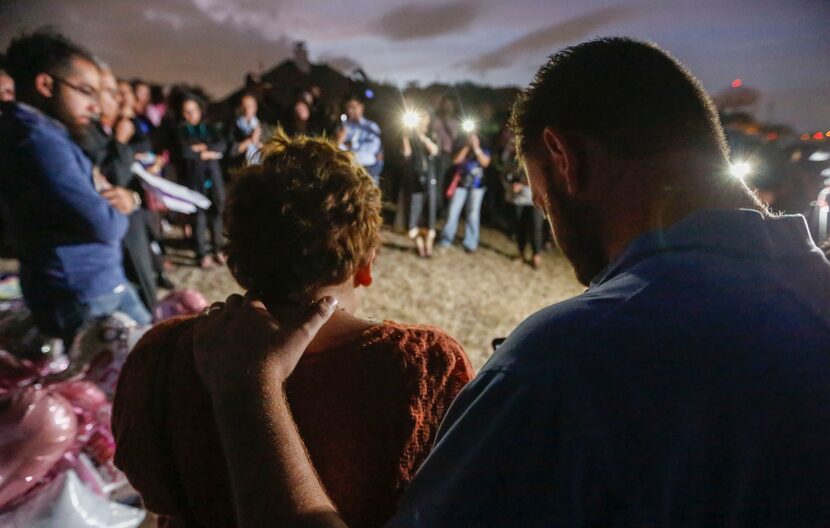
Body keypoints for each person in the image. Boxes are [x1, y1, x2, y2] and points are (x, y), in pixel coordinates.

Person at [190, 37, 830, 527]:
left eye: (542, 199)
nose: (549, 221)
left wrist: (249, 392)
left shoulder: (566, 365)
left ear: (564, 159)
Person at [112, 131, 473, 528]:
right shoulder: (427, 364)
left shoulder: (161, 353)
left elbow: (151, 488)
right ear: (366, 265)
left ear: (234, 263)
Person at [0, 30, 151, 342]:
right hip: (83, 293)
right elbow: (105, 225)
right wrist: (119, 208)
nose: (96, 106)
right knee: (140, 375)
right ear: (45, 85)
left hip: (91, 284)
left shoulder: (44, 134)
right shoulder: (37, 142)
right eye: (85, 91)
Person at [75, 67, 158, 313]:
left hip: (134, 218)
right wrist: (122, 142)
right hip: (115, 230)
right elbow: (115, 176)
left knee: (145, 279)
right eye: (113, 93)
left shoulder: (117, 129)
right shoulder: (88, 135)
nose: (120, 100)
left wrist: (133, 196)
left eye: (121, 94)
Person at [175, 93, 226, 268]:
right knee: (199, 216)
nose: (190, 115)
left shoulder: (210, 128)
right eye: (186, 112)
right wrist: (205, 153)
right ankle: (201, 253)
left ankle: (218, 248)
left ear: (199, 110)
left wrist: (201, 149)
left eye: (193, 110)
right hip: (194, 179)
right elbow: (184, 152)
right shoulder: (181, 130)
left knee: (216, 212)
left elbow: (221, 145)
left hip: (213, 178)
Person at [438, 129, 491, 252]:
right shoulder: (461, 144)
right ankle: (446, 239)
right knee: (453, 211)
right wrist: (467, 146)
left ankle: (471, 243)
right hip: (460, 183)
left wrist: (476, 148)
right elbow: (455, 160)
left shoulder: (484, 145)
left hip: (477, 186)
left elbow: (485, 163)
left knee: (473, 214)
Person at [501, 130, 544, 268]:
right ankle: (521, 253)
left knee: (535, 228)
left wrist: (523, 184)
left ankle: (536, 255)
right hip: (517, 199)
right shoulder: (511, 158)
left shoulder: (535, 157)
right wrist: (510, 186)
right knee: (520, 227)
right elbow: (505, 173)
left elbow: (539, 176)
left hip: (534, 199)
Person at [401, 111, 439, 257]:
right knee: (413, 212)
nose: (422, 120)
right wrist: (405, 136)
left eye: (424, 116)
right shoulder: (409, 136)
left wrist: (421, 136)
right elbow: (406, 154)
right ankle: (420, 248)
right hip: (414, 179)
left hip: (429, 179)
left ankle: (428, 247)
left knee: (430, 213)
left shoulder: (432, 134)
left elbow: (434, 151)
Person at [337, 95, 382, 186]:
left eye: (353, 107)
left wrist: (351, 145)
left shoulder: (371, 126)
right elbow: (338, 147)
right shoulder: (344, 127)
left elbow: (372, 147)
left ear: (361, 107)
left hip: (369, 169)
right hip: (350, 168)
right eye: (348, 108)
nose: (350, 111)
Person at [227, 93, 264, 167]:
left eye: (250, 106)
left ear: (255, 107)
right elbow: (231, 152)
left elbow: (271, 149)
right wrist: (250, 140)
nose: (247, 109)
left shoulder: (264, 127)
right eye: (244, 106)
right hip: (241, 168)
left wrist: (257, 142)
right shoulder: (233, 128)